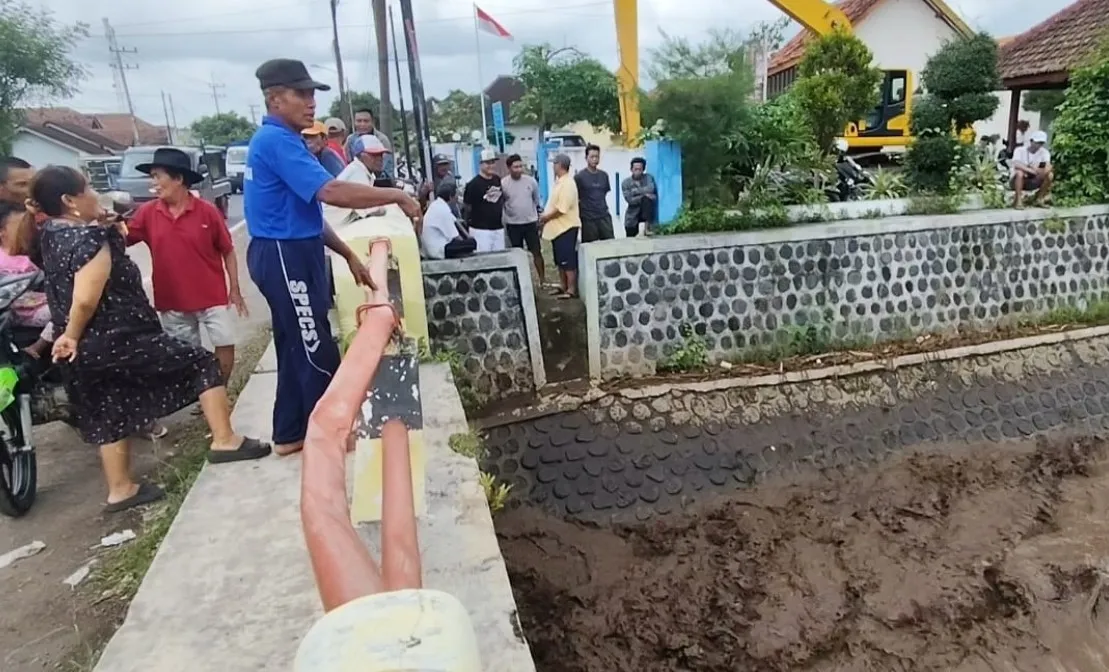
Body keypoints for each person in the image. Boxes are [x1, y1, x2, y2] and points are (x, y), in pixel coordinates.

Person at [17, 166, 271, 511]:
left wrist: (71, 337)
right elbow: (86, 297)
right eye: (88, 189)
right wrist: (72, 335)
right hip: (117, 336)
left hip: (86, 350)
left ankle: (120, 489)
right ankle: (225, 440)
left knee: (109, 408)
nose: (94, 194)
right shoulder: (91, 240)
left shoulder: (50, 235)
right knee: (202, 363)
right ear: (69, 200)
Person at [245, 58, 421, 457]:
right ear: (275, 99)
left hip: (293, 247)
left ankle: (290, 433)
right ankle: (335, 434)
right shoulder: (276, 141)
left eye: (312, 94)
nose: (311, 103)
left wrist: (347, 255)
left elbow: (307, 212)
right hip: (284, 254)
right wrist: (396, 194)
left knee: (293, 345)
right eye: (301, 94)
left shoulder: (285, 140)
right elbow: (331, 193)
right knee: (315, 345)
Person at [124, 147, 246, 389]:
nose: (154, 183)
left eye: (158, 176)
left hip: (212, 295)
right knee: (186, 353)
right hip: (173, 300)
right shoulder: (147, 213)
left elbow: (227, 250)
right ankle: (201, 393)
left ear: (178, 179)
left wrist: (234, 288)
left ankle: (219, 388)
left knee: (224, 342)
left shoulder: (207, 212)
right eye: (153, 177)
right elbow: (123, 239)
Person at [323, 134, 392, 227]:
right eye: (374, 155)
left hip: (339, 225)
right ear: (361, 156)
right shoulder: (357, 172)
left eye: (380, 154)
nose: (379, 159)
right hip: (334, 227)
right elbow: (371, 210)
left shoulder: (360, 170)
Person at [540, 153, 581, 299]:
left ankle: (571, 289)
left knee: (567, 260)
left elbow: (562, 209)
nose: (553, 167)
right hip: (557, 229)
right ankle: (563, 286)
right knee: (559, 260)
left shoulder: (568, 183)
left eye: (554, 164)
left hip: (566, 227)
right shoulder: (559, 182)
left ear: (559, 165)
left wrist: (545, 217)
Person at [501, 153, 544, 283]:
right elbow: (502, 203)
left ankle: (542, 279)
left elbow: (536, 201)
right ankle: (520, 280)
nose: (519, 169)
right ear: (509, 168)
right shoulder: (503, 184)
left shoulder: (531, 181)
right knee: (517, 254)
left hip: (530, 222)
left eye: (520, 166)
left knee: (536, 252)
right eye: (515, 167)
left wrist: (539, 220)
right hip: (513, 223)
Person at [463, 149, 505, 253]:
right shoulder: (473, 184)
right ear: (481, 164)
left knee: (500, 259)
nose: (491, 166)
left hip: (498, 228)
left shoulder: (497, 179)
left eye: (492, 162)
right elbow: (467, 207)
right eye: (487, 163)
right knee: (483, 259)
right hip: (480, 230)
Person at [421, 181, 474, 260]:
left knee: (469, 240)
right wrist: (468, 242)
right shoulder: (442, 210)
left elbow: (456, 222)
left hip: (434, 246)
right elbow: (456, 236)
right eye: (456, 194)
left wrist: (468, 236)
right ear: (450, 196)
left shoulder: (437, 205)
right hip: (439, 249)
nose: (457, 197)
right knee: (472, 244)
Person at [574, 144, 614, 242]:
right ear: (586, 158)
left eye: (597, 157)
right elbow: (576, 198)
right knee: (590, 247)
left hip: (604, 216)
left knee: (610, 244)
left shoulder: (604, 175)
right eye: (592, 157)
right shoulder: (579, 177)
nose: (594, 159)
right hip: (588, 218)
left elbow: (604, 193)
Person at [344, 108, 395, 179]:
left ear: (373, 122)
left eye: (366, 121)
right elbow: (349, 162)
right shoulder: (350, 140)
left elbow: (387, 169)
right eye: (359, 121)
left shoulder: (382, 139)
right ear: (354, 122)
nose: (362, 124)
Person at [1011, 130, 1053, 209]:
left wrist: (1042, 171)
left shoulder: (1044, 152)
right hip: (1017, 180)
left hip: (1034, 179)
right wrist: (1030, 170)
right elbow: (1016, 163)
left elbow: (1048, 165)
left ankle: (1039, 199)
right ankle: (1018, 201)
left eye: (1041, 143)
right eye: (1037, 142)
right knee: (1020, 172)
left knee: (1050, 175)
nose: (1038, 145)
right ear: (1031, 141)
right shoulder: (1020, 150)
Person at [621, 157, 658, 237]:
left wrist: (635, 192)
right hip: (632, 218)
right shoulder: (626, 183)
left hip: (645, 215)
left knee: (647, 200)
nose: (637, 171)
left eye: (640, 169)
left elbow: (651, 189)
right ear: (631, 169)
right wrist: (644, 195)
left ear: (643, 170)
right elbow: (630, 200)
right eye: (635, 169)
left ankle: (647, 228)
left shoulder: (648, 177)